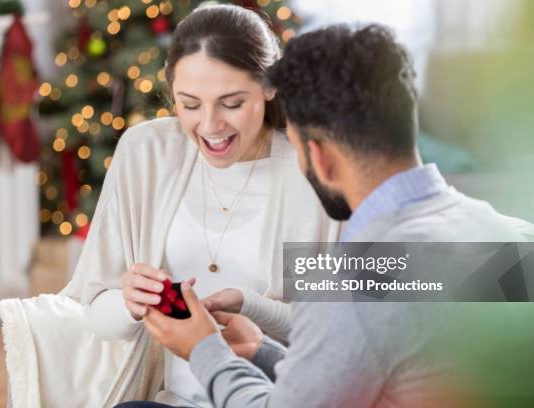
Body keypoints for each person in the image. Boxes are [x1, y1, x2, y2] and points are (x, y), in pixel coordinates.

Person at [137, 24, 534, 408]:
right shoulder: (507, 238)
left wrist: (204, 349)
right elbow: (391, 354)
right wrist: (262, 351)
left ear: (322, 158)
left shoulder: (353, 278)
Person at [62, 4, 339, 407]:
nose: (209, 126)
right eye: (190, 104)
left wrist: (252, 307)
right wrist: (129, 303)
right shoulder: (147, 154)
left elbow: (343, 336)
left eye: (231, 103)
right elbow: (95, 315)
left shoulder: (313, 174)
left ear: (269, 86)